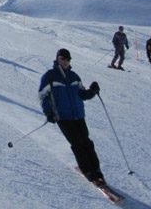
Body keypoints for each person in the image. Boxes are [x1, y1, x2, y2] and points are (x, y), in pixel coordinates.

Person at [38, 48, 104, 184]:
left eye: (68, 59)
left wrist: (92, 91)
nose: (65, 62)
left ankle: (96, 170)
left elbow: (82, 94)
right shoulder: (50, 76)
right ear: (57, 59)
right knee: (77, 143)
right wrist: (48, 112)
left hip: (78, 115)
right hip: (63, 117)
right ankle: (87, 170)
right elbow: (43, 96)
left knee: (87, 142)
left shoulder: (74, 76)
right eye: (63, 59)